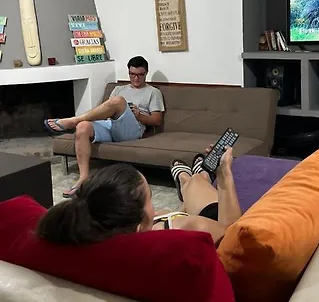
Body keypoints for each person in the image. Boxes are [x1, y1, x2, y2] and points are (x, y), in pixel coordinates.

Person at [36, 147, 241, 246]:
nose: (153, 206)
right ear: (138, 224)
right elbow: (235, 240)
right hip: (215, 220)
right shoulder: (191, 228)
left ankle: (186, 179)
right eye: (150, 198)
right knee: (197, 182)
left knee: (190, 192)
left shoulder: (92, 235)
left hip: (180, 217)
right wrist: (225, 175)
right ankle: (192, 177)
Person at [44, 56, 165, 198]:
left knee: (119, 101)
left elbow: (157, 120)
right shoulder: (119, 89)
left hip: (133, 128)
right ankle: (83, 178)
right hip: (110, 124)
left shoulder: (153, 92)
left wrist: (139, 115)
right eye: (132, 74)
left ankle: (72, 120)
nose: (136, 78)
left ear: (146, 73)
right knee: (83, 127)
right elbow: (106, 110)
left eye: (140, 75)